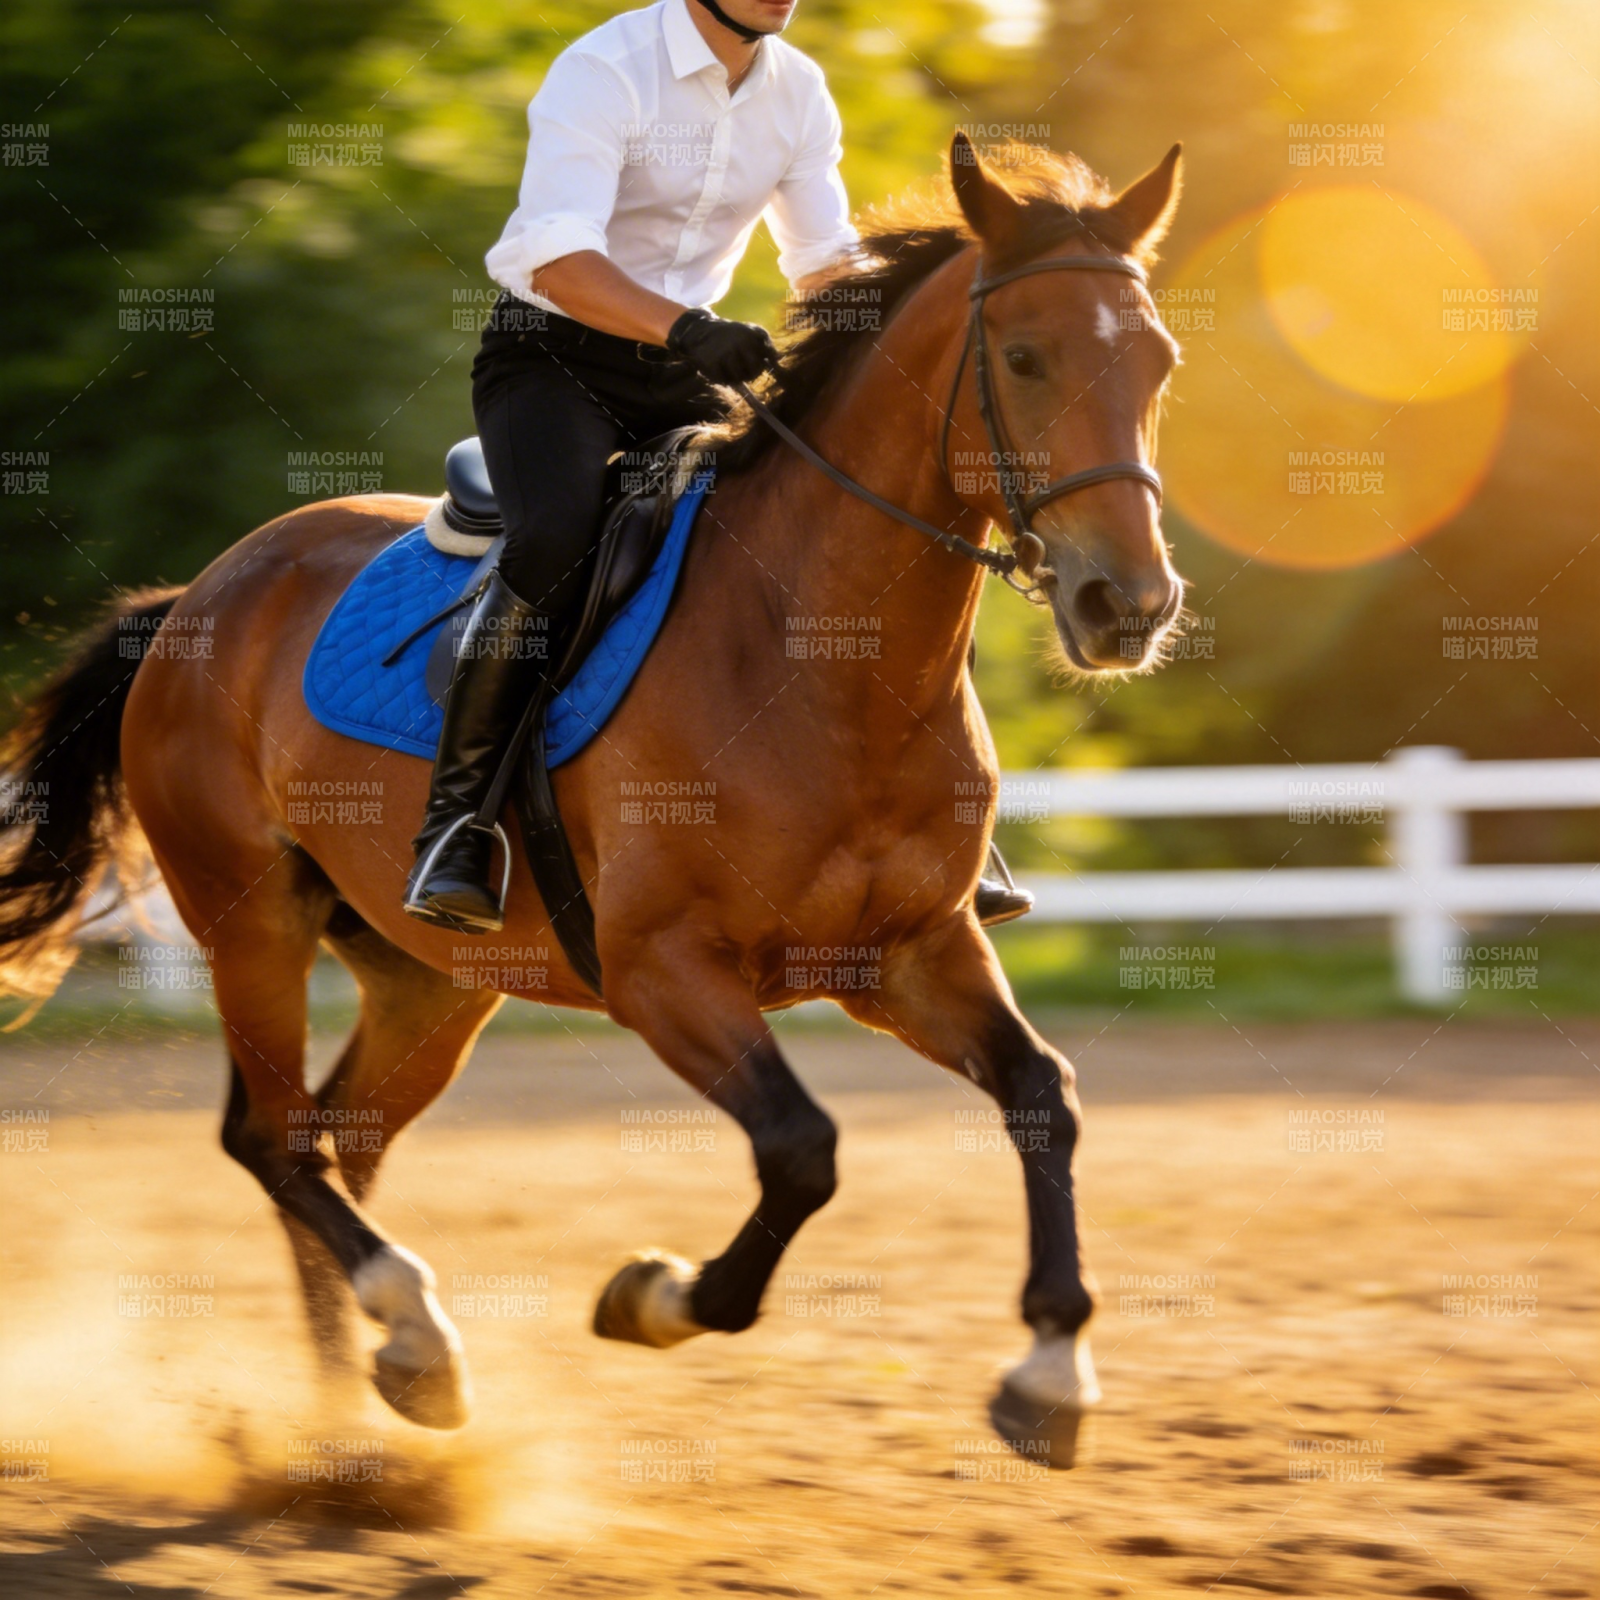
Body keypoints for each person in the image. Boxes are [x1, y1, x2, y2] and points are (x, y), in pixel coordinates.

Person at [404, 0, 1032, 934]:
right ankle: (457, 824)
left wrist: (903, 340)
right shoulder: (605, 68)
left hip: (687, 370)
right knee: (558, 536)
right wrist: (688, 327)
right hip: (553, 359)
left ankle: (936, 823)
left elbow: (822, 260)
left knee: (872, 539)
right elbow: (559, 260)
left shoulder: (799, 90)